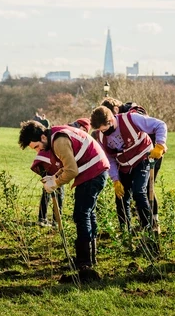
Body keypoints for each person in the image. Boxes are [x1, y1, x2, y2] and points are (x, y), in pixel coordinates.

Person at [19, 120, 109, 280]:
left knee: (81, 215)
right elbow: (68, 165)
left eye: (36, 147)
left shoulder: (59, 141)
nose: (38, 151)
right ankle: (89, 258)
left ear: (42, 137)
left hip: (93, 171)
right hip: (94, 169)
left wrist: (55, 182)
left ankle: (84, 263)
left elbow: (72, 170)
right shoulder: (55, 136)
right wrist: (54, 177)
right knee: (88, 214)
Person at [90, 105, 167, 233]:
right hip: (124, 165)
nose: (103, 133)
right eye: (100, 130)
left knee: (139, 191)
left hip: (142, 158)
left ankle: (149, 227)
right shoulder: (101, 136)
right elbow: (110, 159)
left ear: (110, 121)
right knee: (121, 196)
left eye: (104, 129)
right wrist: (115, 179)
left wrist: (160, 145)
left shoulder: (131, 119)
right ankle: (125, 230)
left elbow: (160, 125)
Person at [34, 118, 91, 227]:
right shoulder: (69, 133)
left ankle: (45, 218)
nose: (84, 133)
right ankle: (55, 220)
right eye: (85, 130)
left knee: (49, 188)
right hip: (51, 164)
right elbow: (70, 169)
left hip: (47, 163)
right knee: (56, 190)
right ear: (81, 126)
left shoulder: (63, 130)